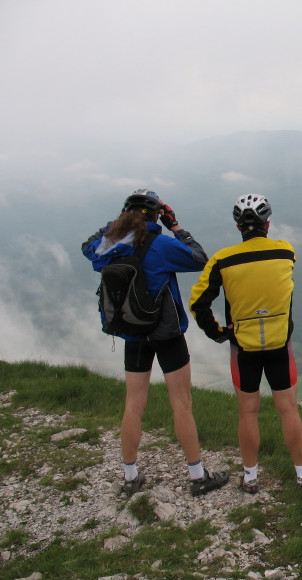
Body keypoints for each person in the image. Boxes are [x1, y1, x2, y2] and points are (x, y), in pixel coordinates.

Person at [82, 189, 230, 497]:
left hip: (132, 334)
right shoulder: (160, 244)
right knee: (181, 404)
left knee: (133, 405)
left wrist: (116, 224)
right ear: (156, 215)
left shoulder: (110, 246)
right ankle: (197, 476)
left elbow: (87, 247)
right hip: (167, 335)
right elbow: (199, 258)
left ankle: (130, 477)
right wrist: (175, 226)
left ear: (125, 214)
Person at [189, 194, 302, 494]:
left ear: (238, 226)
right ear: (267, 223)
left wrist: (218, 333)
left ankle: (250, 478)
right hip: (279, 344)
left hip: (242, 347)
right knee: (288, 409)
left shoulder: (222, 260)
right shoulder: (286, 252)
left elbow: (198, 302)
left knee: (248, 412)